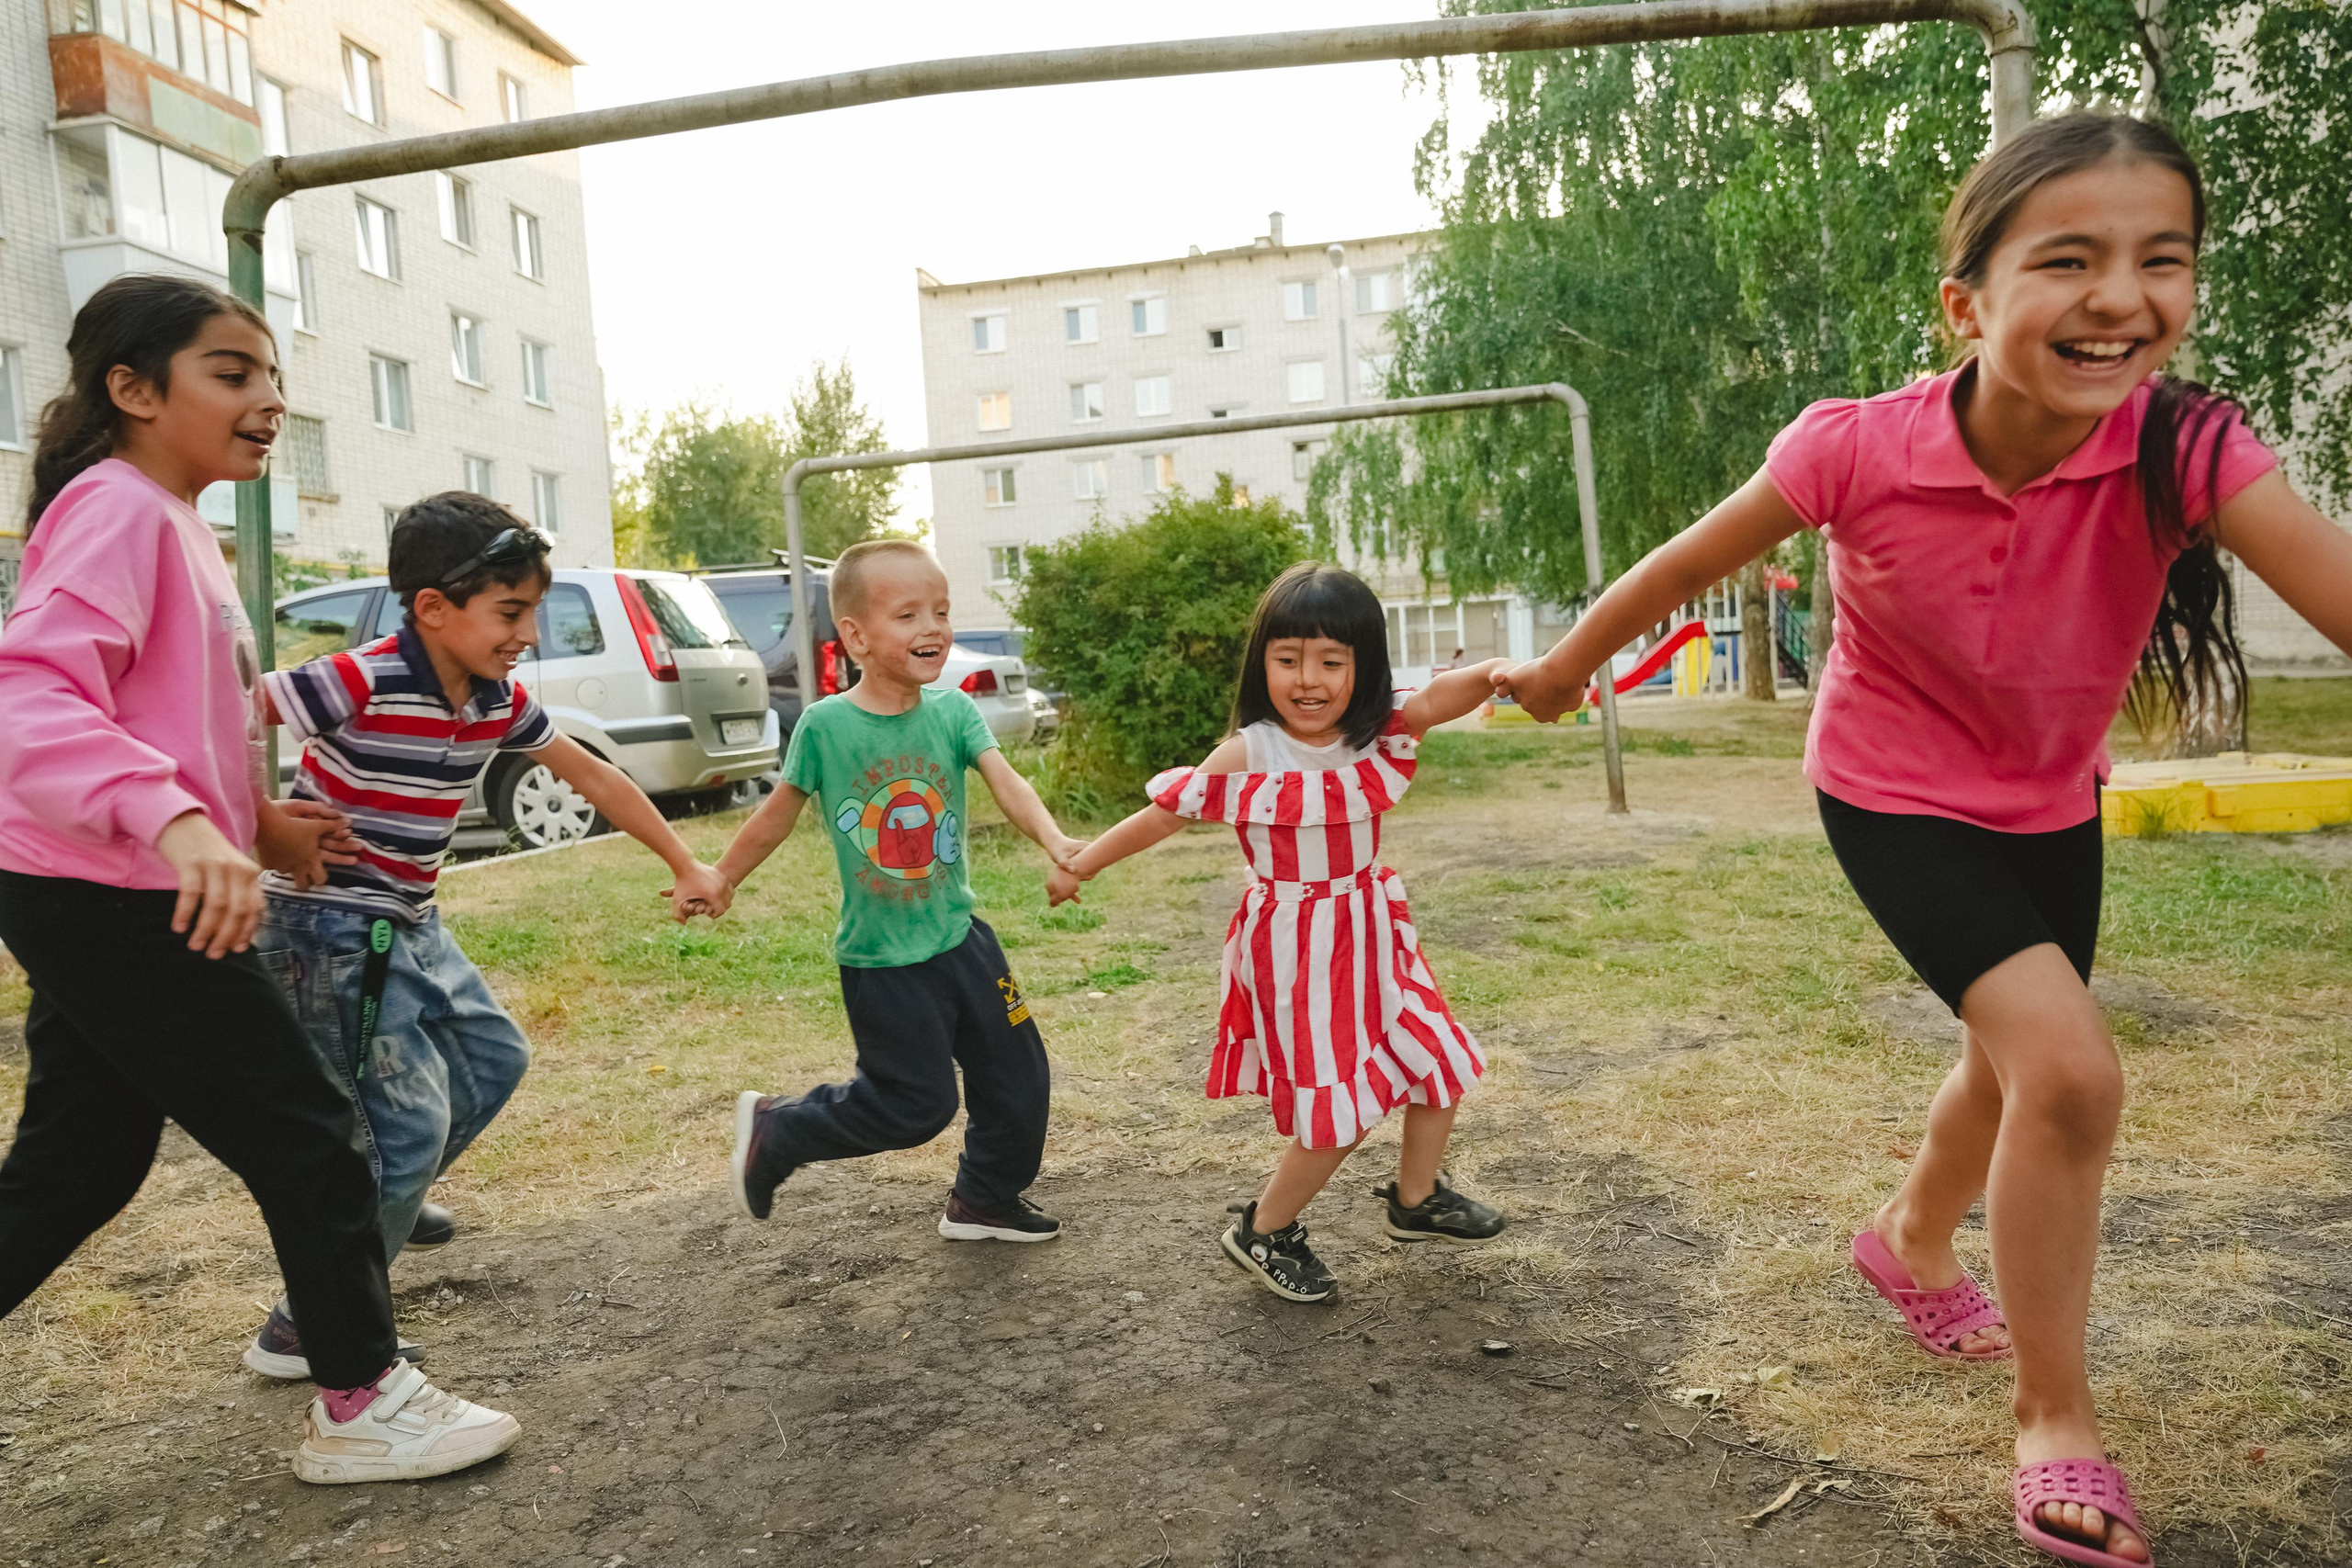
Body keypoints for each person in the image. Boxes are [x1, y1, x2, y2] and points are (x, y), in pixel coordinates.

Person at [1493, 113, 2352, 1568]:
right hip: (1891, 787)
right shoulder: (1855, 447)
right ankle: (2053, 1410)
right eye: (2068, 259)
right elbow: (1684, 562)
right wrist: (1564, 670)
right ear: (1967, 303)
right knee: (2069, 1070)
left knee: (2008, 1065)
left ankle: (1908, 1234)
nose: (2120, 296)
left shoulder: (2188, 446)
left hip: (2051, 792)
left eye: (2162, 260)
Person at [0, 274, 518, 1483]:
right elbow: (30, 699)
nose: (271, 399)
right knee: (312, 1129)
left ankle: (356, 1386)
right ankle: (361, 1400)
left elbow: (171, 714)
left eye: (274, 376)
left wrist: (254, 821)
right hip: (120, 885)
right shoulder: (118, 508)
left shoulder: (173, 517)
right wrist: (181, 824)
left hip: (102, 874)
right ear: (133, 389)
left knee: (80, 1162)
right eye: (233, 373)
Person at [239, 493, 734, 1381]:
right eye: (511, 612)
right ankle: (308, 1322)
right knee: (403, 1132)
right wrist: (259, 816)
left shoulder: (495, 699)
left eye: (533, 611)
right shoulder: (360, 676)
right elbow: (224, 714)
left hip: (410, 920)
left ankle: (387, 1198)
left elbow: (593, 776)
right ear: (434, 607)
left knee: (494, 1059)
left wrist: (685, 860)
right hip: (328, 930)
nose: (529, 635)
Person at [1049, 563, 1506, 1303]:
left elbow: (1436, 699)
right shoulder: (1253, 751)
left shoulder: (1375, 732)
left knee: (1437, 1058)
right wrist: (1083, 863)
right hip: (1302, 949)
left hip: (1372, 929)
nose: (1309, 679)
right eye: (1288, 658)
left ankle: (1415, 1199)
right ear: (1262, 663)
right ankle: (1264, 1229)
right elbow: (1165, 815)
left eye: (1332, 661)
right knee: (1343, 1106)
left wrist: (1496, 673)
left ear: (1363, 666)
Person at [722, 540, 1086, 1241]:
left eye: (941, 611)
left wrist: (1055, 838)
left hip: (961, 937)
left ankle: (983, 1199)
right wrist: (722, 876)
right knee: (915, 1104)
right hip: (885, 962)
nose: (933, 628)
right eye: (909, 614)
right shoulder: (827, 726)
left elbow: (1006, 781)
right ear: (856, 635)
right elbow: (775, 816)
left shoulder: (952, 712)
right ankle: (779, 1129)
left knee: (1020, 1075)